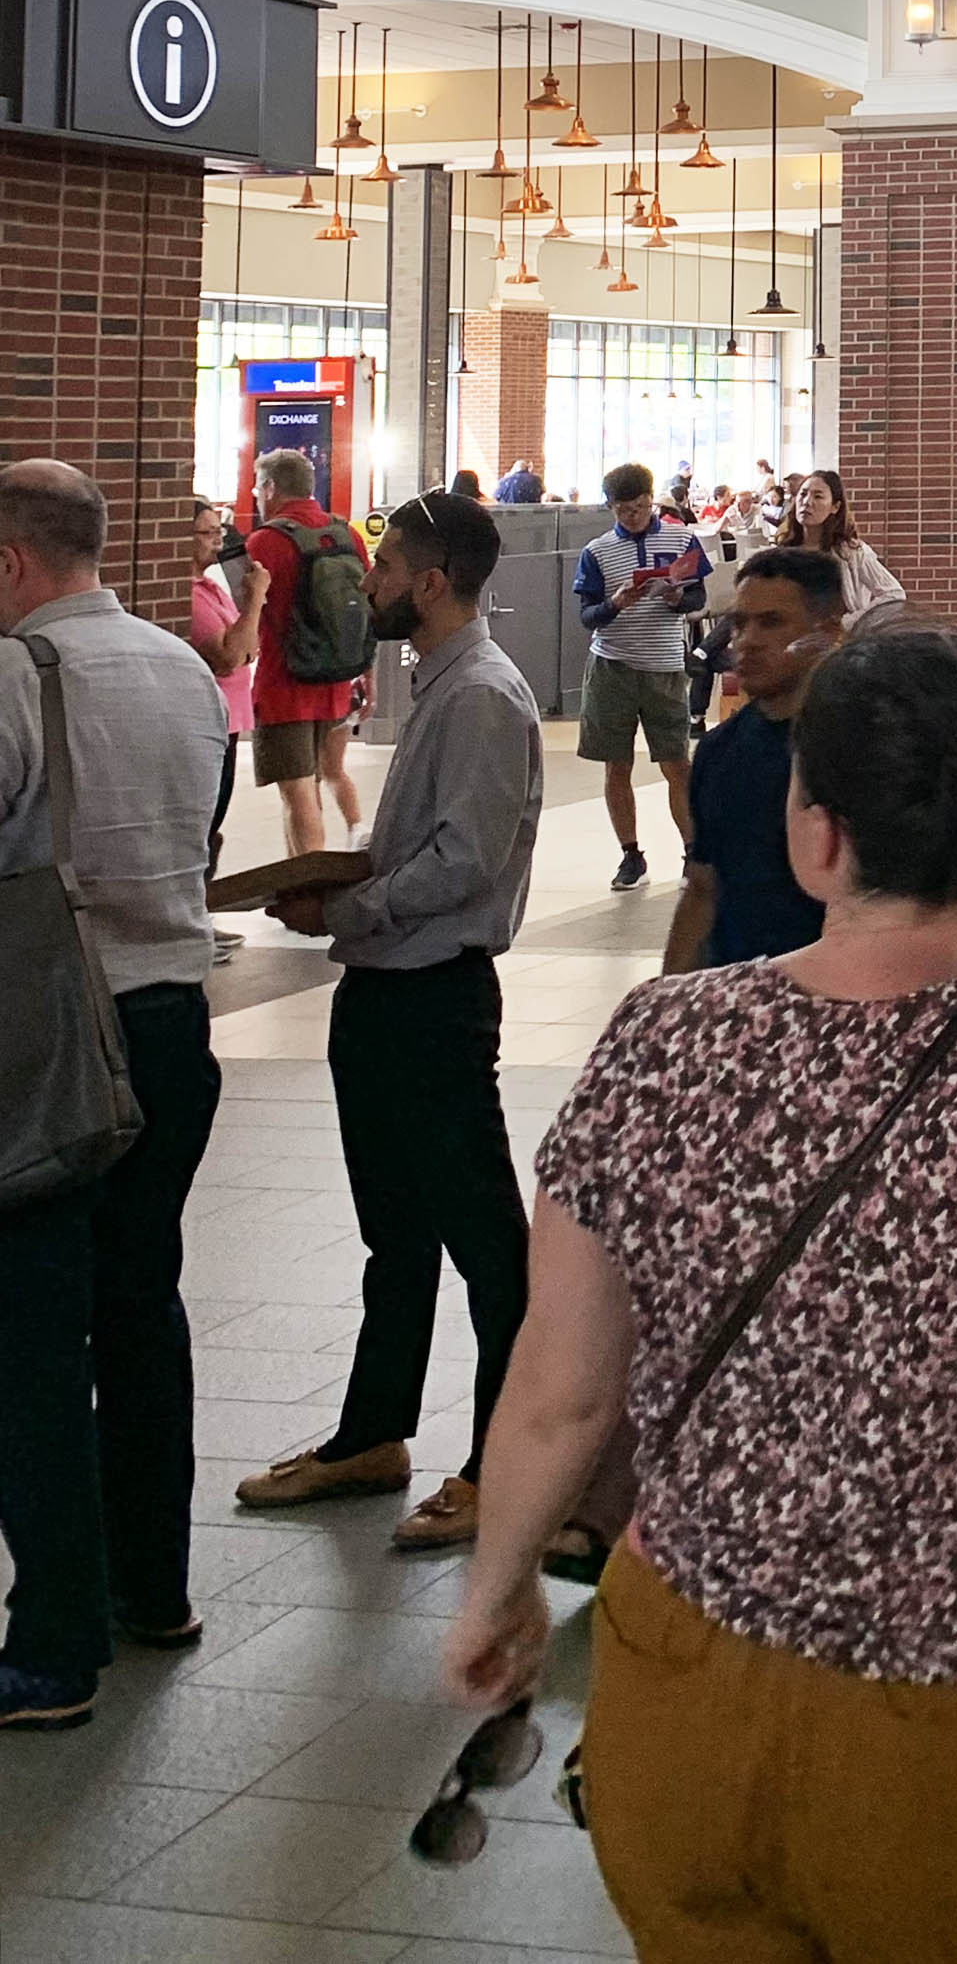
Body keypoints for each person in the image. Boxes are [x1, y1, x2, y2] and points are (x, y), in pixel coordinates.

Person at [442, 621, 957, 1963]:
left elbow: (560, 1390)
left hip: (685, 1684)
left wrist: (499, 1587)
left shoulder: (662, 1044)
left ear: (816, 833)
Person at [238, 489, 543, 1558]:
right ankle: (373, 1434)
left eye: (382, 567)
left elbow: (463, 861)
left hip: (434, 997)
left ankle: (503, 1457)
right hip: (386, 989)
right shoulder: (443, 683)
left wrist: (345, 904)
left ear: (428, 579)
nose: (363, 583)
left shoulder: (483, 696)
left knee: (486, 1241)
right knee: (394, 1236)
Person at [0, 464, 229, 1731]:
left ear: (12, 562)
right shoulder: (180, 664)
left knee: (34, 1333)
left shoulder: (14, 674)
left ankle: (52, 1643)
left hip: (52, 1035)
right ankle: (157, 1586)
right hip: (173, 1017)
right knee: (143, 1300)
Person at [662, 548, 846, 976]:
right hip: (741, 1004)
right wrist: (667, 1004)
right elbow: (703, 890)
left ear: (828, 632)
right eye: (740, 624)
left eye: (772, 622)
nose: (747, 641)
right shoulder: (719, 751)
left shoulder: (864, 748)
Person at [573, 461, 704, 894]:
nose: (634, 516)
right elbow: (588, 616)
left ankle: (693, 852)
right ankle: (630, 853)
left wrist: (677, 597)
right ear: (610, 507)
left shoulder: (680, 538)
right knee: (617, 763)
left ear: (653, 500)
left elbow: (700, 594)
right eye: (624, 510)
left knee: (676, 763)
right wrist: (614, 604)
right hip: (613, 665)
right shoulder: (597, 552)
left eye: (642, 507)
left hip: (665, 665)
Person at [244, 448, 365, 858]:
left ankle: (309, 885)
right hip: (336, 682)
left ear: (272, 488)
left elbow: (246, 614)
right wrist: (368, 675)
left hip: (284, 685)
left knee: (297, 790)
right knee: (315, 779)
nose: (256, 496)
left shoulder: (264, 542)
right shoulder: (346, 534)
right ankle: (297, 875)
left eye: (258, 487)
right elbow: (367, 610)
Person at [187, 494, 263, 889]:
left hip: (232, 719)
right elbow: (230, 655)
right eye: (207, 533)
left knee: (216, 818)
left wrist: (248, 617)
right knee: (203, 820)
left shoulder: (213, 589)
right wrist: (254, 600)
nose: (218, 540)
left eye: (219, 531)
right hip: (209, 720)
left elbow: (250, 647)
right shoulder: (189, 596)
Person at [789, 467, 905, 629]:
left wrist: (849, 622)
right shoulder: (785, 551)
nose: (807, 502)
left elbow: (893, 594)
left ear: (835, 507)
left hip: (836, 641)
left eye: (818, 496)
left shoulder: (851, 552)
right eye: (803, 494)